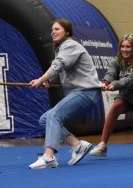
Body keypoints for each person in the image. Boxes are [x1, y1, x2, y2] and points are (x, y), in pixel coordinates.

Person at [28, 19, 102, 169]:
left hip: (86, 92)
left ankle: (48, 157)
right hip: (81, 93)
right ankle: (77, 145)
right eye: (52, 30)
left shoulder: (70, 45)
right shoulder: (63, 48)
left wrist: (41, 79)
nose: (53, 32)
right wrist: (49, 81)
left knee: (54, 115)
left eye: (57, 29)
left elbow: (58, 65)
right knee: (45, 119)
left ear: (67, 32)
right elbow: (62, 70)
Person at [89, 33, 133, 160]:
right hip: (125, 95)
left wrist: (114, 85)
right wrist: (105, 82)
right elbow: (110, 74)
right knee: (115, 107)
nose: (125, 49)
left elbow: (130, 80)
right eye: (122, 47)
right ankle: (103, 145)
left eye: (128, 47)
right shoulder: (116, 61)